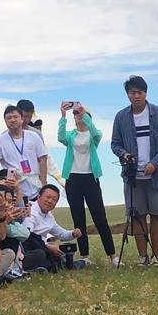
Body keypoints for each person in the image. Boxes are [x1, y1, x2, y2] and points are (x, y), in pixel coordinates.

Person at [110, 75, 158, 266]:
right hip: (133, 177)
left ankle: (156, 256)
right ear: (127, 95)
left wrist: (156, 163)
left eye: (140, 92)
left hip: (156, 175)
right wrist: (124, 155)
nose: (136, 96)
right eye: (132, 92)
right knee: (137, 216)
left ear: (145, 93)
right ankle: (142, 256)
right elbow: (115, 144)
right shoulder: (121, 117)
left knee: (157, 214)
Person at [57, 102, 115, 266]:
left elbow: (96, 134)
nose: (79, 115)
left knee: (100, 218)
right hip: (73, 179)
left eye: (82, 113)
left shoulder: (94, 135)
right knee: (78, 218)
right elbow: (60, 137)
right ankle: (84, 255)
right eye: (76, 113)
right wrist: (63, 116)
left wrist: (86, 115)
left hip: (91, 178)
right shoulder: (70, 135)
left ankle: (112, 255)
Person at [0, 105, 48, 202]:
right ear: (5, 121)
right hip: (13, 186)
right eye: (9, 118)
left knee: (35, 214)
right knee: (16, 215)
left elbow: (43, 159)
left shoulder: (34, 136)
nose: (12, 120)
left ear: (22, 119)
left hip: (34, 184)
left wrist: (43, 182)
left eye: (15, 117)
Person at [22, 184, 83, 272]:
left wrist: (73, 233)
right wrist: (48, 247)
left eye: (54, 200)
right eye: (47, 197)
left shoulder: (49, 216)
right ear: (39, 197)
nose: (50, 201)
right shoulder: (31, 210)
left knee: (59, 253)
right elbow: (27, 236)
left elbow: (61, 234)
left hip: (42, 247)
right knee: (42, 255)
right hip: (28, 248)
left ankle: (62, 263)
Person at [18, 99, 65, 187]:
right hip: (16, 181)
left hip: (35, 181)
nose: (27, 120)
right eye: (24, 116)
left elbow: (45, 159)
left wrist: (43, 182)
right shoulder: (5, 136)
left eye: (29, 117)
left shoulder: (37, 134)